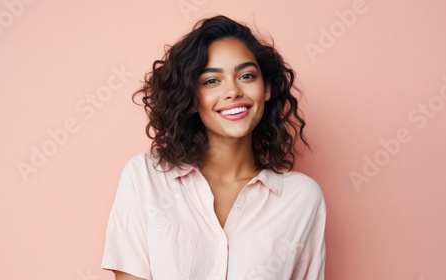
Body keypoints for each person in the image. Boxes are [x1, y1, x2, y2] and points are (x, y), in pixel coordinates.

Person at [101, 15, 326, 280]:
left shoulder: (301, 198)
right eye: (211, 81)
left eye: (246, 76)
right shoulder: (145, 178)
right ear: (192, 97)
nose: (232, 91)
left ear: (266, 88)